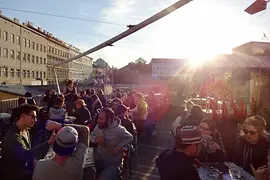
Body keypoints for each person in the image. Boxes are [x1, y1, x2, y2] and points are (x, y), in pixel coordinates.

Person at [0, 104, 56, 180]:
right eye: (33, 117)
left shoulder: (26, 130)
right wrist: (49, 142)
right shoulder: (12, 137)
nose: (35, 120)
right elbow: (25, 155)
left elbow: (29, 151)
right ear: (23, 116)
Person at [91, 108, 133, 180]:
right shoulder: (98, 127)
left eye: (101, 119)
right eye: (98, 118)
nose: (98, 121)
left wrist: (119, 146)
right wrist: (95, 139)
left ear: (109, 120)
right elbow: (91, 136)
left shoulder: (119, 130)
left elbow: (130, 137)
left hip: (112, 164)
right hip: (98, 161)